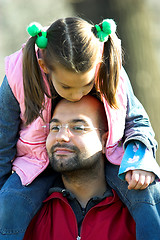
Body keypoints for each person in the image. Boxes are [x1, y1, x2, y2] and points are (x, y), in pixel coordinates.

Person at [0, 17, 160, 239]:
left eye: (86, 84)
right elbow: (2, 140)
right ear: (44, 66)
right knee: (8, 204)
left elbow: (138, 122)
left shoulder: (110, 71)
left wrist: (139, 160)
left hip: (110, 154)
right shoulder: (18, 79)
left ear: (97, 65)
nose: (77, 95)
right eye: (66, 86)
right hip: (32, 163)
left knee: (149, 195)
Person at [23, 95, 136, 240]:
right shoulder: (28, 214)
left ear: (105, 141)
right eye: (55, 127)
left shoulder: (136, 215)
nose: (61, 136)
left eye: (78, 127)